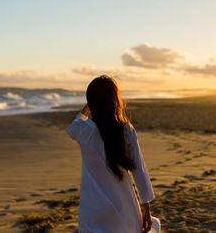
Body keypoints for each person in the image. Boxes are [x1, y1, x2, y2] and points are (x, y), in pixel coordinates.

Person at [67, 75, 160, 233]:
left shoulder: (83, 130)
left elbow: (75, 123)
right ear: (115, 101)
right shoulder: (125, 130)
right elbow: (139, 171)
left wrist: (90, 105)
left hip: (93, 209)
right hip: (123, 206)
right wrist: (147, 210)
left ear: (91, 102)